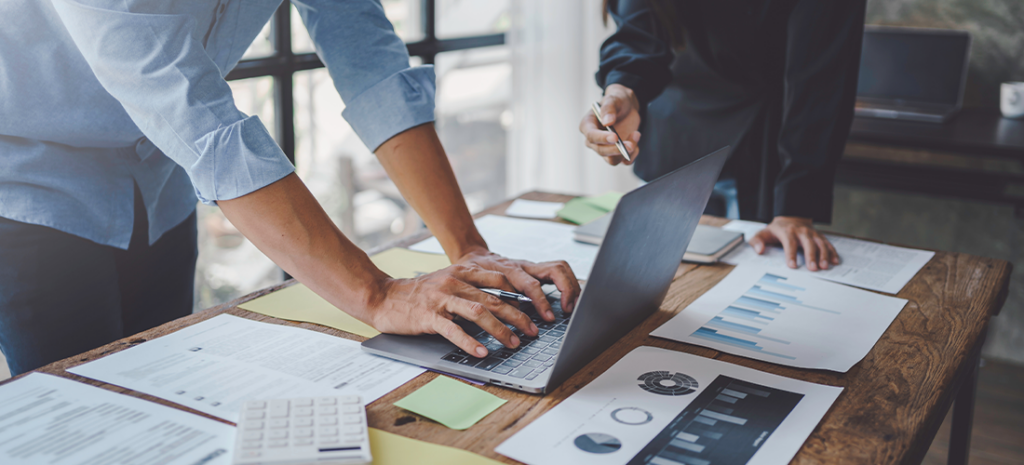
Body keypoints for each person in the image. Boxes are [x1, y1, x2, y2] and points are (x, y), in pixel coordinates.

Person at [0, 0, 579, 377]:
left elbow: (367, 56)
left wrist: (469, 248)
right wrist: (376, 294)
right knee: (77, 406)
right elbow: (197, 116)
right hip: (31, 182)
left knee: (162, 383)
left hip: (158, 175)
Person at [580, 0, 866, 271]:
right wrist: (622, 88)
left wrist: (796, 207)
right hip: (671, 144)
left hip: (759, 145)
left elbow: (820, 75)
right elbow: (639, 32)